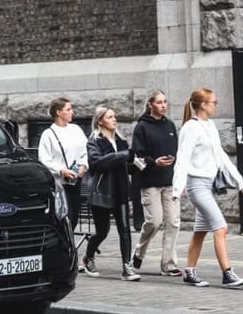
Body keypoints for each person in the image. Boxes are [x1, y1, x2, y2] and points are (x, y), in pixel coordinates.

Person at [172, 87, 243, 288]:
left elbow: (220, 155)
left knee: (200, 230)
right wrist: (177, 188)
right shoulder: (190, 128)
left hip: (209, 185)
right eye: (214, 102)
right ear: (204, 105)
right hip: (197, 186)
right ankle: (227, 273)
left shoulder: (210, 125)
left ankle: (189, 271)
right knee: (221, 227)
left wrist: (238, 178)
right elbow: (182, 158)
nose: (216, 105)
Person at [84, 106, 144, 281]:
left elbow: (126, 166)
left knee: (125, 230)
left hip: (121, 189)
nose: (114, 119)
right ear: (100, 121)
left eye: (114, 116)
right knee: (102, 231)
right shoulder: (94, 141)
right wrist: (122, 155)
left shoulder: (120, 140)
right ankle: (88, 257)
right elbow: (97, 163)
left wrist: (137, 164)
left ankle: (126, 267)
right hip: (102, 191)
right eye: (110, 117)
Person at [130, 90, 182, 276]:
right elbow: (137, 156)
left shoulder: (170, 125)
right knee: (154, 221)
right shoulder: (142, 127)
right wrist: (154, 162)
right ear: (150, 104)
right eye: (159, 102)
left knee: (173, 222)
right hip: (150, 181)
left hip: (170, 181)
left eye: (165, 101)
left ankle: (169, 264)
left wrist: (179, 179)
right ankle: (138, 252)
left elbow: (178, 152)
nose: (163, 105)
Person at [37, 97, 89, 248]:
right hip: (59, 183)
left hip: (75, 180)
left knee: (74, 218)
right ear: (59, 112)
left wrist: (83, 166)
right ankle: (66, 249)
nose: (72, 112)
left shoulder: (76, 130)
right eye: (68, 109)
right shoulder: (48, 134)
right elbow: (44, 159)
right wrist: (61, 170)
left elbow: (85, 151)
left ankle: (67, 249)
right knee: (66, 217)